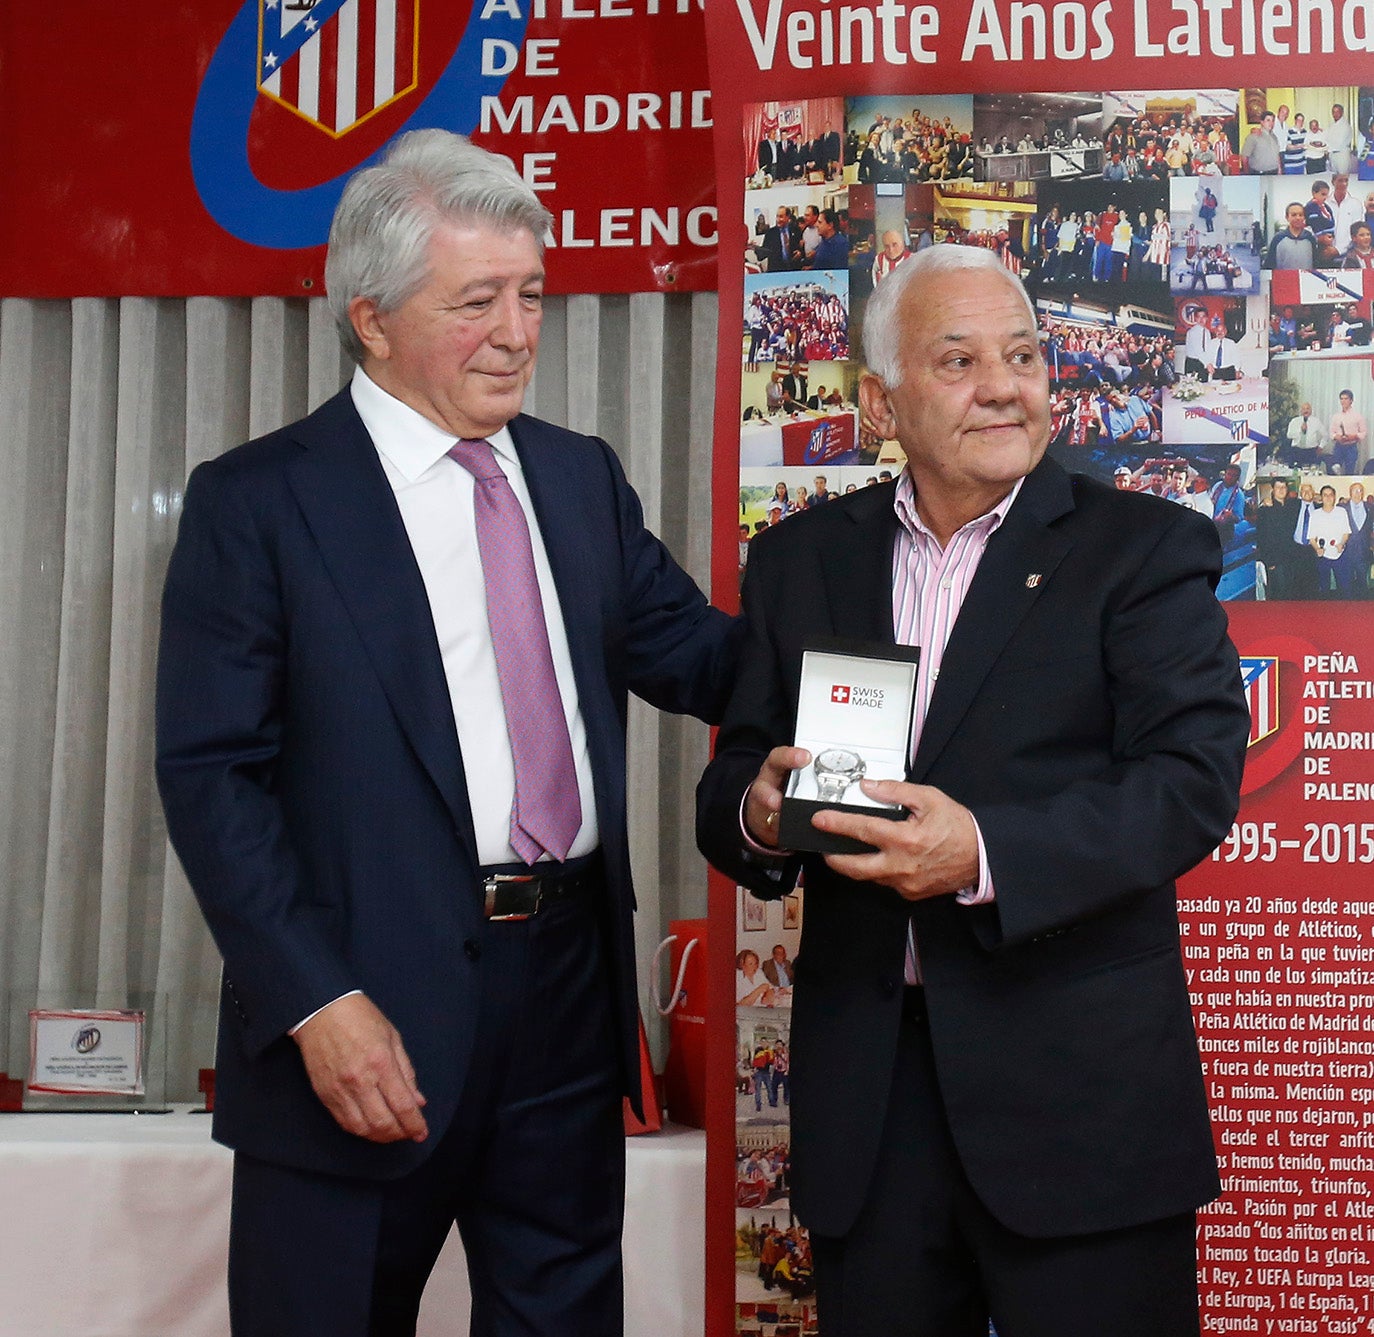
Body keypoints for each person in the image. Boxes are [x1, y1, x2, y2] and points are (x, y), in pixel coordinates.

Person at [155, 130, 739, 1337]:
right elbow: (214, 779)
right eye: (478, 301)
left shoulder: (579, 477)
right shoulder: (259, 502)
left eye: (532, 294)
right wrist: (316, 1002)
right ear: (370, 319)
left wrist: (888, 631)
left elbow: (701, 656)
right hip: (359, 1015)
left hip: (568, 998)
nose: (520, 332)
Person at [697, 244, 1249, 1336]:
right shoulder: (802, 560)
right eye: (959, 359)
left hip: (1077, 1102)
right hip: (871, 1101)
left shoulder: (1142, 551)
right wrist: (759, 809)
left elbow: (1188, 784)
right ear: (878, 398)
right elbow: (736, 771)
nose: (1005, 384)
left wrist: (983, 854)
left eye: (1026, 355)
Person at [1256, 478, 1301, 599]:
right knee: (1278, 593)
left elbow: (1308, 501)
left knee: (1290, 591)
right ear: (1273, 489)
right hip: (1275, 559)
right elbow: (1261, 538)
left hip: (1291, 557)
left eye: (1284, 487)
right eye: (1278, 487)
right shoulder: (1264, 510)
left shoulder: (1292, 506)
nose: (1281, 490)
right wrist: (1269, 561)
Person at [1330, 388, 1367, 474]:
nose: (1343, 401)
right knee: (1335, 471)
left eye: (1346, 399)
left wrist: (1353, 436)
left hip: (1351, 447)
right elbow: (1331, 432)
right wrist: (1337, 437)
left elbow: (1363, 432)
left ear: (1351, 400)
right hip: (1338, 447)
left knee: (1349, 472)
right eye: (1341, 399)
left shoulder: (1358, 416)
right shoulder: (1336, 416)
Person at [1287, 402, 1328, 469]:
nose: (1306, 411)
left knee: (1311, 472)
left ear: (1311, 410)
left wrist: (1321, 447)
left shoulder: (1316, 421)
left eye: (1308, 408)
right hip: (1297, 451)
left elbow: (1325, 435)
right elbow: (1289, 435)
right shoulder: (1294, 421)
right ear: (1301, 411)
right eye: (1303, 409)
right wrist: (1300, 430)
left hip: (1311, 452)